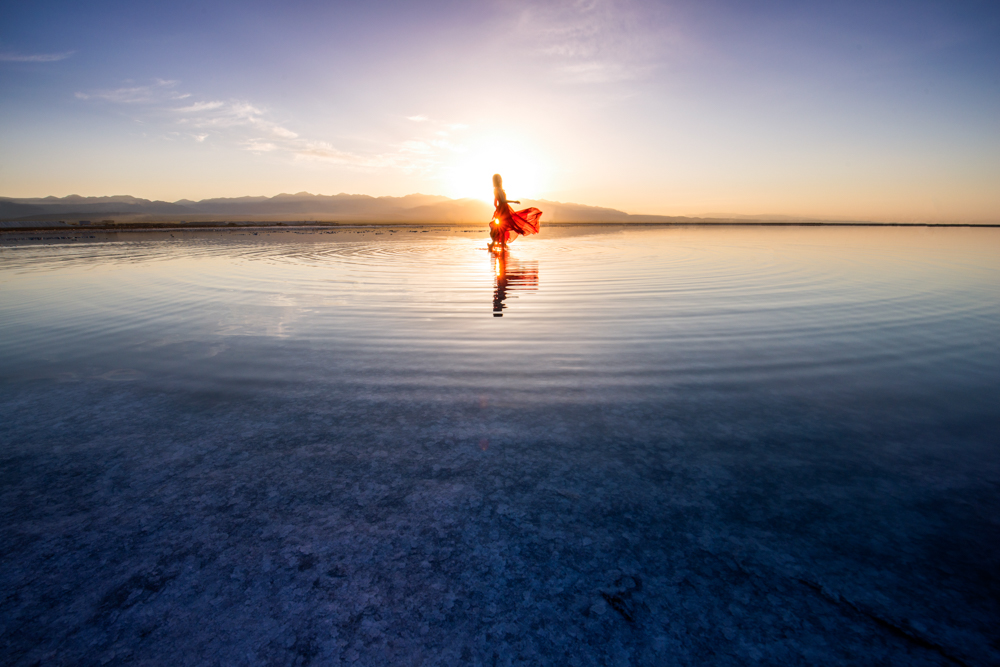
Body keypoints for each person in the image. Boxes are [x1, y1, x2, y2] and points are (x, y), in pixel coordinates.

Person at [489, 174, 542, 250]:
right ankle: (497, 244)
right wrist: (514, 201)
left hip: (501, 209)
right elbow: (503, 201)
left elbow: (495, 203)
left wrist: (498, 209)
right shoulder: (499, 190)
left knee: (502, 227)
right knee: (503, 226)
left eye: (499, 179)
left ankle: (499, 244)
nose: (500, 180)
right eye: (498, 179)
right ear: (497, 181)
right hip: (504, 209)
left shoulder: (495, 190)